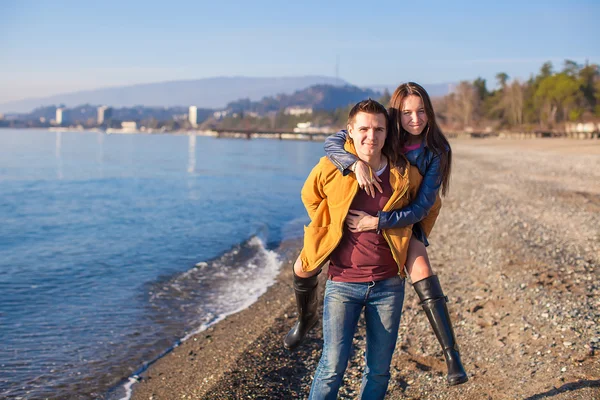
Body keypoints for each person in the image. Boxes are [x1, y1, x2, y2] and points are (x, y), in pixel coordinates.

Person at [321, 82, 467, 386]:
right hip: (384, 220)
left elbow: (422, 208)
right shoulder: (386, 136)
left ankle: (451, 354)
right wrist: (353, 163)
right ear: (394, 115)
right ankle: (303, 319)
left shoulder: (437, 150)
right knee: (306, 259)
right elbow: (333, 142)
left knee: (421, 267)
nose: (415, 118)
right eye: (407, 112)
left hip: (407, 218)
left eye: (422, 111)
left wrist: (377, 221)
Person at [295, 99, 434, 399]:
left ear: (387, 133)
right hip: (342, 284)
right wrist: (330, 225)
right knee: (332, 366)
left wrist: (408, 235)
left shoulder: (402, 173)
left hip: (388, 286)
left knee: (379, 369)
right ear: (350, 131)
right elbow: (310, 197)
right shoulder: (331, 168)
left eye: (378, 129)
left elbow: (428, 206)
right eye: (364, 129)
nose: (371, 136)